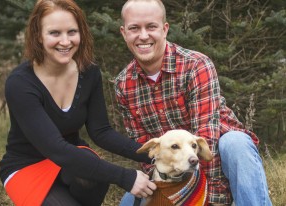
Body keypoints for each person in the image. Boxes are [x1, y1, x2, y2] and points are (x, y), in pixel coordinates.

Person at [114, 0, 272, 205]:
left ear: (164, 29)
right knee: (128, 202)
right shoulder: (123, 84)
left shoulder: (196, 65)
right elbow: (145, 150)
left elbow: (206, 138)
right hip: (173, 170)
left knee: (236, 143)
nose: (143, 36)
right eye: (134, 28)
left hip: (218, 163)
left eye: (151, 26)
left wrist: (212, 200)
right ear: (124, 32)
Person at [0, 0, 156, 205]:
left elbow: (101, 132)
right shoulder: (20, 83)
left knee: (93, 176)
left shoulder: (89, 72)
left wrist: (154, 155)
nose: (65, 42)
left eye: (72, 32)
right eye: (55, 33)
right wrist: (125, 177)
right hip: (27, 167)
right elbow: (55, 148)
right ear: (38, 35)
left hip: (73, 160)